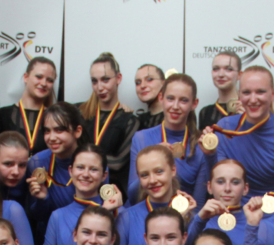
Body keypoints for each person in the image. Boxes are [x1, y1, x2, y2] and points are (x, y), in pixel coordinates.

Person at [202, 66, 274, 201]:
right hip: (231, 208)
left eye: (260, 92)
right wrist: (209, 155)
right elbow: (218, 181)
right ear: (239, 95)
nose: (253, 99)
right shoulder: (224, 128)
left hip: (272, 210)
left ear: (273, 94)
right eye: (246, 92)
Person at [128, 74, 209, 205]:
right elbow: (132, 196)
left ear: (194, 104)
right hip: (146, 214)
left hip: (183, 216)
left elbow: (198, 205)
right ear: (161, 98)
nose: (175, 106)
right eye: (170, 98)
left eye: (183, 100)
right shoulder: (141, 138)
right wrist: (153, 157)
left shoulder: (200, 145)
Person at [44, 144, 124, 245]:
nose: (85, 174)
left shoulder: (118, 212)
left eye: (93, 169)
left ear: (104, 175)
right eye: (80, 167)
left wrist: (106, 212)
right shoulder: (58, 216)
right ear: (70, 171)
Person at [117, 146, 195, 245]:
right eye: (144, 175)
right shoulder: (126, 218)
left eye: (159, 172)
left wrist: (185, 221)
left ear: (173, 170)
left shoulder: (190, 217)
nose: (152, 180)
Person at [79, 53, 138, 195]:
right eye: (94, 81)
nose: (100, 87)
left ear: (118, 78)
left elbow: (118, 163)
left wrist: (82, 161)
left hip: (111, 194)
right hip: (80, 189)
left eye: (105, 80)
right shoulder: (80, 113)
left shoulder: (129, 120)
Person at [27, 103, 86, 237]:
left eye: (59, 130)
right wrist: (42, 199)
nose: (52, 137)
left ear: (77, 131)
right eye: (47, 131)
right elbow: (37, 217)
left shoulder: (94, 161)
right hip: (50, 236)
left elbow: (99, 207)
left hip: (86, 235)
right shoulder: (37, 162)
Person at [187, 159, 249, 245]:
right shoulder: (198, 221)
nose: (227, 188)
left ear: (245, 188)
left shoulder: (256, 223)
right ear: (209, 187)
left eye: (235, 182)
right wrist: (200, 220)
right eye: (220, 182)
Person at [0, 57, 57, 154]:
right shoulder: (2, 114)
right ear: (26, 77)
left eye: (50, 80)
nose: (43, 83)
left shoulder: (55, 117)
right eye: (39, 77)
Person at [198, 52, 242, 130]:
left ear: (239, 75)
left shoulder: (248, 109)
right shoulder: (205, 112)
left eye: (229, 69)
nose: (221, 74)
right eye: (216, 69)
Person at [0, 131, 31, 205]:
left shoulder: (29, 186)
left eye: (22, 165)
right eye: (8, 164)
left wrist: (41, 200)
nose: (16, 172)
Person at [134, 64, 166, 130]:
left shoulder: (177, 119)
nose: (142, 86)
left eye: (149, 79)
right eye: (138, 82)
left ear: (163, 83)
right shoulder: (137, 122)